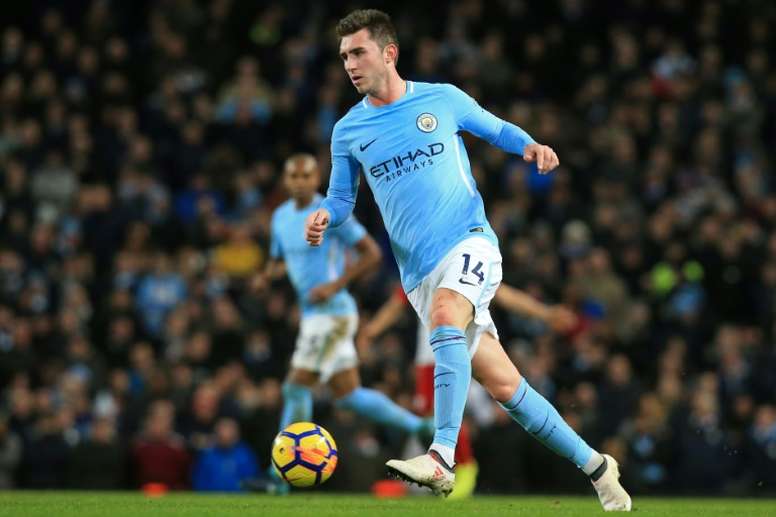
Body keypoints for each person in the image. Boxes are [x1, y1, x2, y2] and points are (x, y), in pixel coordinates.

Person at [304, 9, 631, 511]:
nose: (349, 64)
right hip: (418, 274)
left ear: (389, 53)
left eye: (358, 52)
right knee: (505, 386)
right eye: (344, 56)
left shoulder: (442, 99)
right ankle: (597, 466)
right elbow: (342, 197)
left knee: (445, 317)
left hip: (469, 241)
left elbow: (496, 129)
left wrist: (530, 146)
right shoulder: (348, 130)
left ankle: (441, 456)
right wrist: (326, 215)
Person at [260, 153, 432, 492]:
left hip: (333, 313)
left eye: (306, 176)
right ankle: (419, 427)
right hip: (313, 315)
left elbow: (372, 253)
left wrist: (334, 285)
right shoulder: (280, 218)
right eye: (293, 176)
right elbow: (281, 262)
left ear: (316, 179)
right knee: (348, 395)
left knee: (296, 387)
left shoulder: (330, 214)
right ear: (286, 180)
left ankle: (277, 478)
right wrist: (266, 277)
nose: (299, 182)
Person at [358, 283, 578, 498]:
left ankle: (464, 468)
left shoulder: (464, 267)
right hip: (427, 356)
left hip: (452, 351)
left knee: (441, 413)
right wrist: (371, 331)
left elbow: (503, 294)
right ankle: (449, 468)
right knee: (428, 416)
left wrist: (544, 313)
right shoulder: (422, 269)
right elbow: (397, 303)